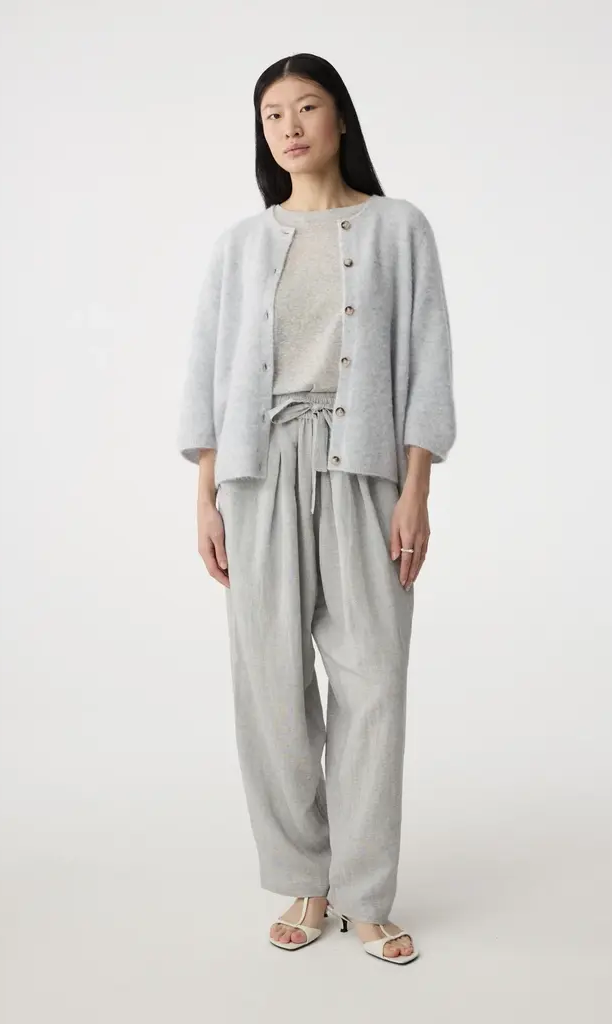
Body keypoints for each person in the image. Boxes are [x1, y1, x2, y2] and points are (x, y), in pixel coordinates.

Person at [176, 53, 456, 965]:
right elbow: (209, 375)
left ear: (341, 119)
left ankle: (366, 892)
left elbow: (426, 361)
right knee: (268, 683)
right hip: (256, 475)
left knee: (374, 681)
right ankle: (306, 880)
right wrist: (205, 496)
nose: (290, 127)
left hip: (364, 468)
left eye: (307, 107)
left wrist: (417, 487)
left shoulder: (399, 228)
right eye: (272, 115)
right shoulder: (240, 245)